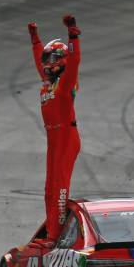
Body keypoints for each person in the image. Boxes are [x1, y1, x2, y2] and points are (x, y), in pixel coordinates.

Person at [27, 15, 82, 242]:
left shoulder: (65, 83)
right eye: (46, 58)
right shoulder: (47, 84)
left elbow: (75, 61)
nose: (47, 62)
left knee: (59, 189)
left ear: (61, 59)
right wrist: (34, 39)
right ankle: (51, 233)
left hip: (67, 138)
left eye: (52, 57)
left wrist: (73, 36)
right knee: (49, 190)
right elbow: (38, 59)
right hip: (54, 140)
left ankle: (57, 237)